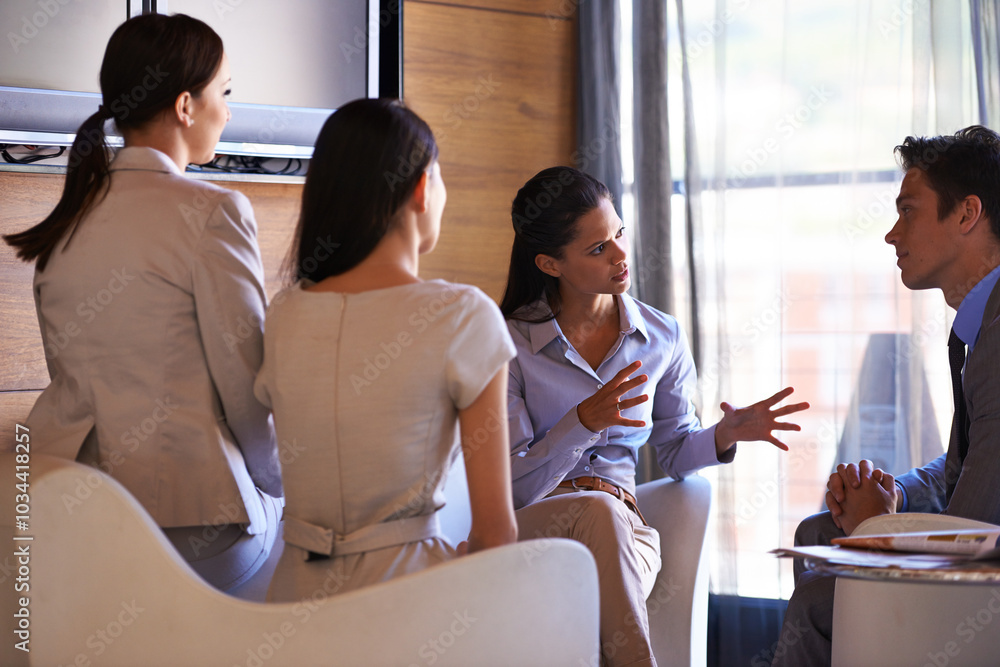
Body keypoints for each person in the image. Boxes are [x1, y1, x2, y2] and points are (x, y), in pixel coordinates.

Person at [2, 14, 283, 593]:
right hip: (195, 519)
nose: (228, 112)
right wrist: (288, 482)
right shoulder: (215, 212)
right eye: (225, 93)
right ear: (185, 106)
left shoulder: (65, 221)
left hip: (65, 509)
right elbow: (247, 388)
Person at [500, 166, 810, 667]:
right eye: (598, 248)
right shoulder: (508, 343)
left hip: (626, 529)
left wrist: (723, 435)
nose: (621, 254)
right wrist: (581, 423)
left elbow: (674, 453)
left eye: (619, 233)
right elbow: (512, 488)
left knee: (603, 541)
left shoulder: (662, 336)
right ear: (549, 264)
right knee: (597, 523)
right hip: (537, 527)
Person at [256, 98, 518, 602]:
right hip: (408, 600)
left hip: (292, 600)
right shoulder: (463, 314)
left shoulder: (284, 314)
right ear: (420, 188)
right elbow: (494, 534)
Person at [772, 125, 1000, 667]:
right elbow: (967, 463)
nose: (891, 235)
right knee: (819, 531)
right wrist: (893, 493)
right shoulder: (978, 327)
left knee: (818, 597)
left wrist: (880, 526)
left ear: (967, 214)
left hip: (984, 580)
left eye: (908, 212)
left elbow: (975, 527)